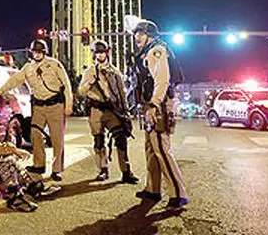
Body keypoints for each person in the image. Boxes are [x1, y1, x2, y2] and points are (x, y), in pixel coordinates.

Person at [125, 16, 189, 209]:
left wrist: (154, 105)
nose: (137, 37)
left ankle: (178, 194)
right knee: (151, 149)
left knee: (161, 148)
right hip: (150, 104)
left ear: (150, 35)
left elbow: (162, 80)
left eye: (140, 33)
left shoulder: (156, 51)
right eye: (136, 34)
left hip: (158, 104)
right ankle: (153, 189)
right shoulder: (147, 52)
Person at [0, 39, 73, 182]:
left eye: (39, 52)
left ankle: (57, 169)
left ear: (44, 52)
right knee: (35, 134)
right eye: (34, 52)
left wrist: (69, 104)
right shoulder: (28, 68)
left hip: (55, 105)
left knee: (57, 138)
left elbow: (66, 84)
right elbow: (15, 80)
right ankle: (39, 164)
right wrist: (0, 91)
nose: (37, 54)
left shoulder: (54, 64)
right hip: (38, 107)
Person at [78, 40, 139, 184]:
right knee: (99, 141)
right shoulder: (90, 71)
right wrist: (90, 82)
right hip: (96, 110)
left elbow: (122, 93)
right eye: (97, 53)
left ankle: (126, 171)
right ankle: (103, 169)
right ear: (94, 54)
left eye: (102, 52)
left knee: (121, 139)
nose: (100, 55)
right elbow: (81, 91)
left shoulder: (114, 71)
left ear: (107, 53)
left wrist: (125, 112)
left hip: (112, 110)